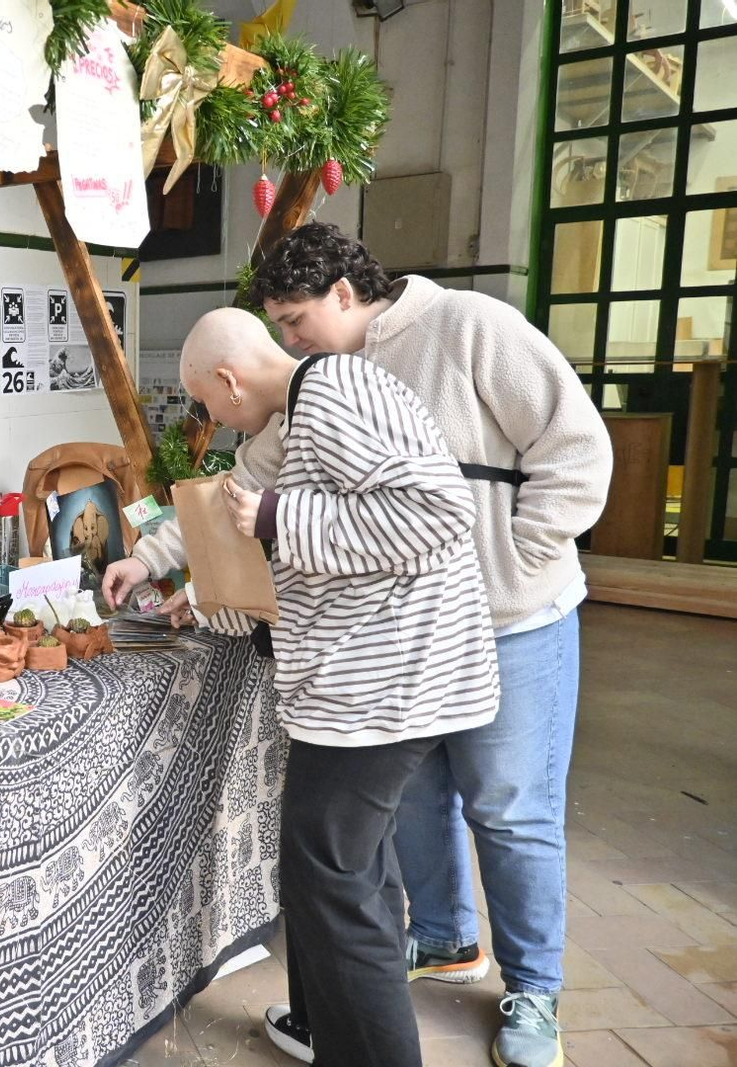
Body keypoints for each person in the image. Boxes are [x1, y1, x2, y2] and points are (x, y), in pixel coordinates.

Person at [239, 223, 609, 1067]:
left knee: (510, 810)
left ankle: (535, 988)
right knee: (413, 803)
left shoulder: (472, 327)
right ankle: (442, 940)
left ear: (343, 290)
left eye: (296, 320)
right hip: (412, 642)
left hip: (516, 619)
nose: (288, 340)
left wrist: (517, 559)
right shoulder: (320, 380)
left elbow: (578, 446)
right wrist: (157, 555)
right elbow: (255, 472)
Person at [109, 308, 502, 1066]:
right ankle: (328, 1024)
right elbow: (233, 501)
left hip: (382, 693)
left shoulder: (333, 391)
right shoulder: (294, 414)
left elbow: (437, 511)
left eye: (209, 402)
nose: (213, 420)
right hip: (376, 688)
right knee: (355, 873)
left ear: (229, 379)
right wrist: (172, 566)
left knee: (332, 882)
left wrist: (279, 516)